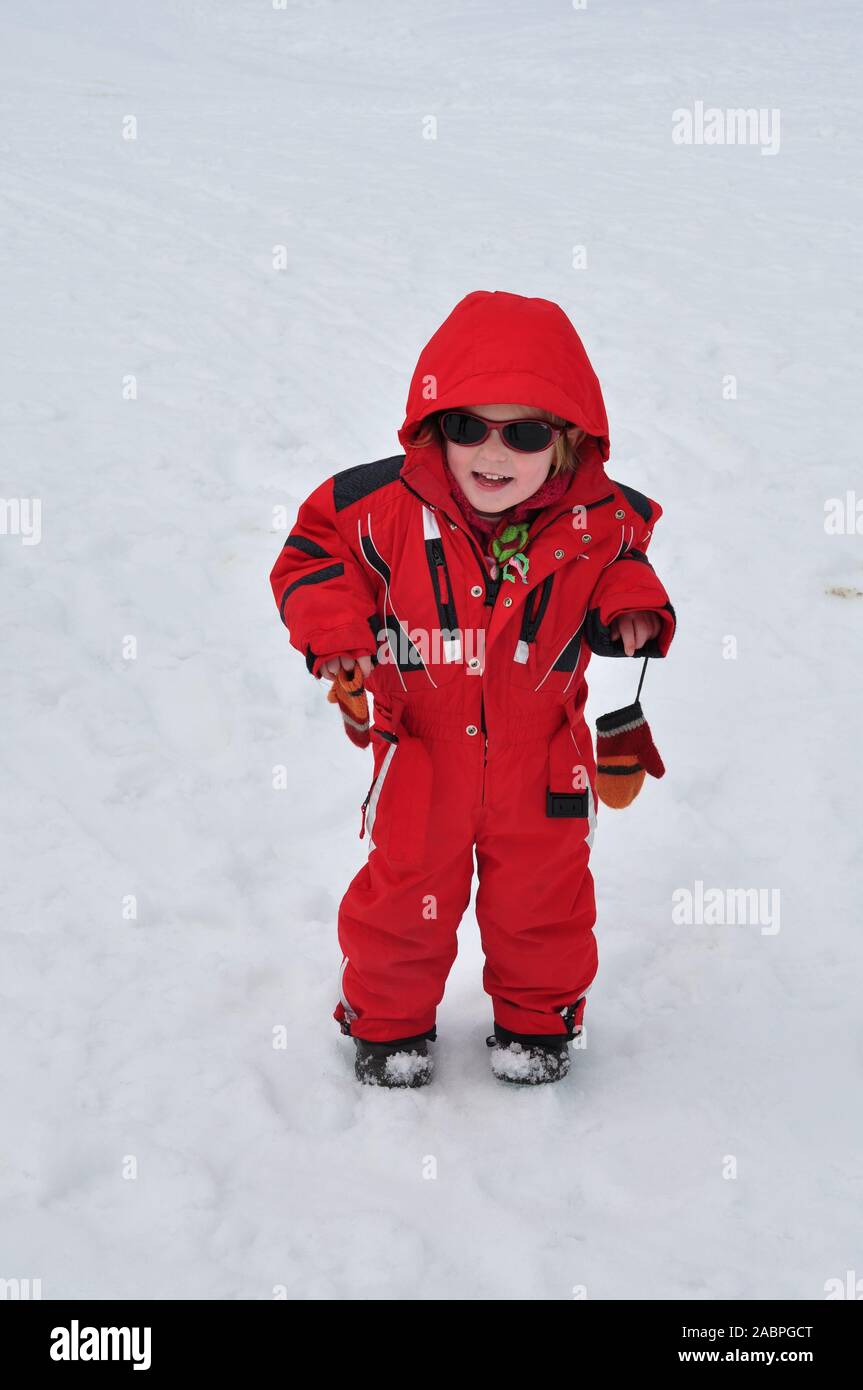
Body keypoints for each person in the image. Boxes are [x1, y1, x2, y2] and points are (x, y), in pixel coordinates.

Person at [270, 290, 676, 1088]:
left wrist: (631, 602)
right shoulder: (374, 507)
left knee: (545, 904)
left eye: (522, 433)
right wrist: (337, 635)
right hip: (420, 752)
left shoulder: (601, 519)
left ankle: (537, 1022)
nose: (492, 454)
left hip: (543, 759)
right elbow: (311, 558)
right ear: (434, 428)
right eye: (467, 427)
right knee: (402, 898)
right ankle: (386, 1025)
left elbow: (627, 557)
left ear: (566, 445)